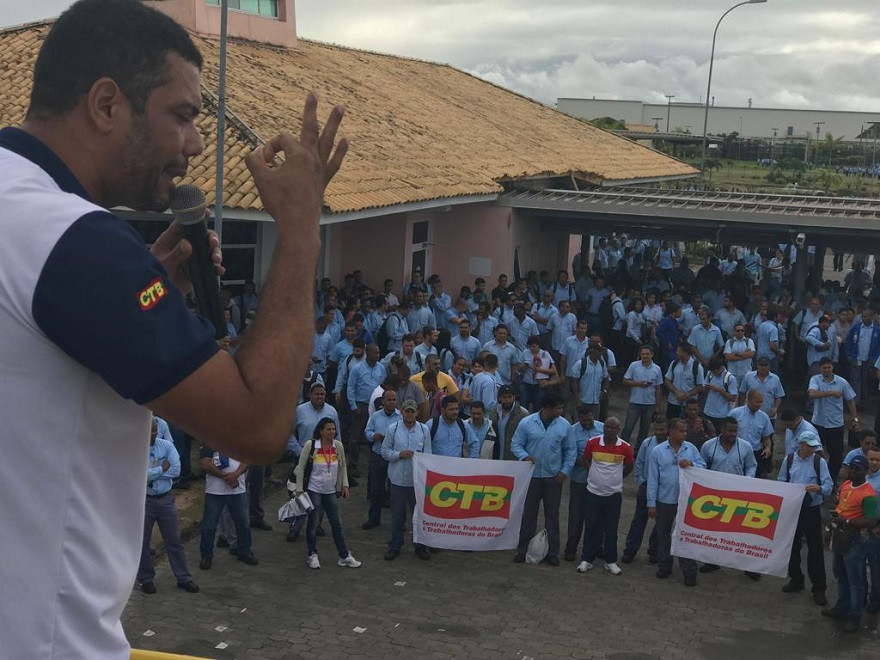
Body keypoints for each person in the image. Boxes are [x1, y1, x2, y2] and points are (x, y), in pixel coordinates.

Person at [0, 0, 347, 654]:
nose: (195, 143)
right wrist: (301, 229)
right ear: (106, 105)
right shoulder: (73, 241)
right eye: (183, 116)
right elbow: (259, 426)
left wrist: (141, 286)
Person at [512, 393, 575, 566]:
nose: (561, 411)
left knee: (552, 516)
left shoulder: (565, 426)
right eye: (559, 408)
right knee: (529, 515)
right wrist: (524, 456)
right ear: (548, 407)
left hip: (553, 478)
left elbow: (570, 450)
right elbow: (516, 443)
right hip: (531, 477)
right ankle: (522, 549)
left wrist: (565, 471)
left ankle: (552, 552)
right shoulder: (527, 422)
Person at [137, 417, 198, 594]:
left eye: (155, 431)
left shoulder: (167, 446)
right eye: (150, 432)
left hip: (165, 499)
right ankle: (146, 579)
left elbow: (176, 470)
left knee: (174, 540)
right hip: (146, 500)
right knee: (143, 542)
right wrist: (161, 469)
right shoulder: (137, 449)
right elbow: (141, 475)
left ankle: (184, 577)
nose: (154, 434)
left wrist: (153, 473)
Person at [293, 418, 361, 570]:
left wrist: (344, 485)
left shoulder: (338, 446)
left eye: (334, 429)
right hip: (314, 490)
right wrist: (299, 489)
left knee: (337, 524)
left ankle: (344, 555)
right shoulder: (311, 445)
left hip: (330, 491)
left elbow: (342, 466)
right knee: (313, 524)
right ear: (321, 431)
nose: (332, 432)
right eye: (329, 429)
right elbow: (301, 467)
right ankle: (312, 554)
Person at [822, 454, 878, 630]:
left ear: (865, 471)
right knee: (840, 574)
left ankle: (854, 616)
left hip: (854, 541)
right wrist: (828, 529)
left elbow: (870, 521)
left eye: (857, 469)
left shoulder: (868, 494)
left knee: (855, 581)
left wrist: (846, 522)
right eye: (851, 467)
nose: (852, 471)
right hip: (839, 537)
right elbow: (838, 507)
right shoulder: (846, 485)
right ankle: (842, 607)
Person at [647, 418, 705, 586]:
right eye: (681, 431)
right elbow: (653, 479)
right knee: (663, 535)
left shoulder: (691, 449)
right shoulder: (657, 451)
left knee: (685, 536)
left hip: (687, 501)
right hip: (664, 500)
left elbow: (703, 466)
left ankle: (689, 571)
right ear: (670, 432)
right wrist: (651, 503)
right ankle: (664, 566)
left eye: (685, 431)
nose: (684, 434)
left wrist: (692, 463)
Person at [778, 433, 833, 606]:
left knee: (815, 549)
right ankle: (796, 578)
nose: (811, 449)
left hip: (811, 510)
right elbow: (781, 481)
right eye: (808, 446)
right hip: (793, 509)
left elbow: (829, 486)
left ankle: (819, 588)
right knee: (792, 545)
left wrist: (818, 489)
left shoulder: (819, 462)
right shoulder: (789, 460)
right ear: (801, 445)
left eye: (813, 446)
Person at [577, 417, 633, 575]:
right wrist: (595, 474)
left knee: (611, 529)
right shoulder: (593, 443)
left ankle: (611, 561)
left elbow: (629, 466)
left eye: (613, 428)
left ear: (618, 430)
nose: (609, 430)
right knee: (591, 527)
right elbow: (585, 460)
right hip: (593, 493)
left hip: (613, 496)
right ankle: (587, 559)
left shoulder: (625, 447)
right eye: (607, 427)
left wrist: (615, 479)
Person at [381, 400, 432, 561]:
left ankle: (420, 546)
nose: (409, 414)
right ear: (402, 412)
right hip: (397, 480)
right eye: (407, 411)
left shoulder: (424, 430)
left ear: (417, 412)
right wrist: (398, 455)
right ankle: (395, 546)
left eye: (412, 411)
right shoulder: (393, 429)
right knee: (397, 516)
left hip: (416, 482)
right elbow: (384, 451)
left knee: (419, 516)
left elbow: (428, 454)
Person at [198, 445, 259, 570]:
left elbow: (247, 460)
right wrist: (226, 477)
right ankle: (206, 556)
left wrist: (235, 474)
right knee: (209, 525)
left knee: (242, 521)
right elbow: (205, 464)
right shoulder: (209, 441)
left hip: (237, 489)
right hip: (214, 491)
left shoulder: (238, 440)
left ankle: (244, 551)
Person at [564, 406, 605, 562]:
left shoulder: (603, 428)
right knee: (576, 516)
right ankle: (571, 548)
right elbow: (570, 454)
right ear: (578, 418)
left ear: (593, 415)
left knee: (597, 517)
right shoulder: (572, 431)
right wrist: (587, 464)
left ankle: (596, 548)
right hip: (579, 481)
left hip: (599, 482)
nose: (587, 422)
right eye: (584, 420)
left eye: (589, 419)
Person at [808, 356, 858, 485]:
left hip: (835, 425)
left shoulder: (842, 382)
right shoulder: (815, 380)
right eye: (824, 368)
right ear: (820, 368)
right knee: (816, 453)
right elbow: (812, 394)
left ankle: (832, 478)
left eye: (828, 367)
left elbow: (850, 400)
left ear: (832, 367)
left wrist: (855, 419)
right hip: (818, 423)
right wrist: (831, 393)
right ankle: (816, 477)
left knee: (836, 455)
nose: (826, 370)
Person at [622, 419, 665, 564]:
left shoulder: (672, 447)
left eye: (662, 429)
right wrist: (641, 481)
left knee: (662, 522)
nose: (659, 432)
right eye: (656, 429)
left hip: (664, 489)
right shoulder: (647, 443)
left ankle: (654, 550)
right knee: (639, 520)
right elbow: (638, 462)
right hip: (646, 486)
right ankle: (630, 549)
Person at [362, 390, 401, 530]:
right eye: (389, 400)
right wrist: (374, 436)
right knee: (376, 490)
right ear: (383, 401)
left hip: (394, 457)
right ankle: (373, 518)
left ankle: (398, 522)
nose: (392, 402)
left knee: (396, 491)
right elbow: (367, 432)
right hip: (378, 455)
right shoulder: (376, 416)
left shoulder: (401, 417)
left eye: (394, 400)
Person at [621, 345, 664, 444]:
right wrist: (638, 383)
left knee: (644, 431)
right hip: (635, 402)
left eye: (647, 354)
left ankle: (639, 451)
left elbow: (658, 388)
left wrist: (658, 406)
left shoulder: (657, 369)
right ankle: (622, 448)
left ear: (652, 355)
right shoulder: (634, 365)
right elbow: (625, 381)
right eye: (643, 354)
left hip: (649, 404)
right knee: (628, 428)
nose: (645, 356)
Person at [729, 390, 774, 478]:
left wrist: (768, 448)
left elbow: (766, 438)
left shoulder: (764, 417)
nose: (759, 404)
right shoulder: (735, 413)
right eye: (756, 402)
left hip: (755, 453)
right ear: (748, 400)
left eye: (761, 402)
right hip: (737, 451)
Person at [664, 343, 704, 420]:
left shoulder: (697, 366)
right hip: (673, 401)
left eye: (679, 351)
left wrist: (687, 395)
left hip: (689, 405)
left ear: (685, 353)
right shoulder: (674, 363)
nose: (676, 353)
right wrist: (677, 392)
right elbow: (667, 380)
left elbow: (700, 386)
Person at [702, 358, 737, 430]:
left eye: (714, 371)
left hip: (721, 415)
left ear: (720, 368)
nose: (713, 373)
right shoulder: (710, 374)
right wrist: (706, 388)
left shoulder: (730, 378)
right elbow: (704, 392)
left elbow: (733, 398)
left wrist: (718, 389)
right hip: (708, 412)